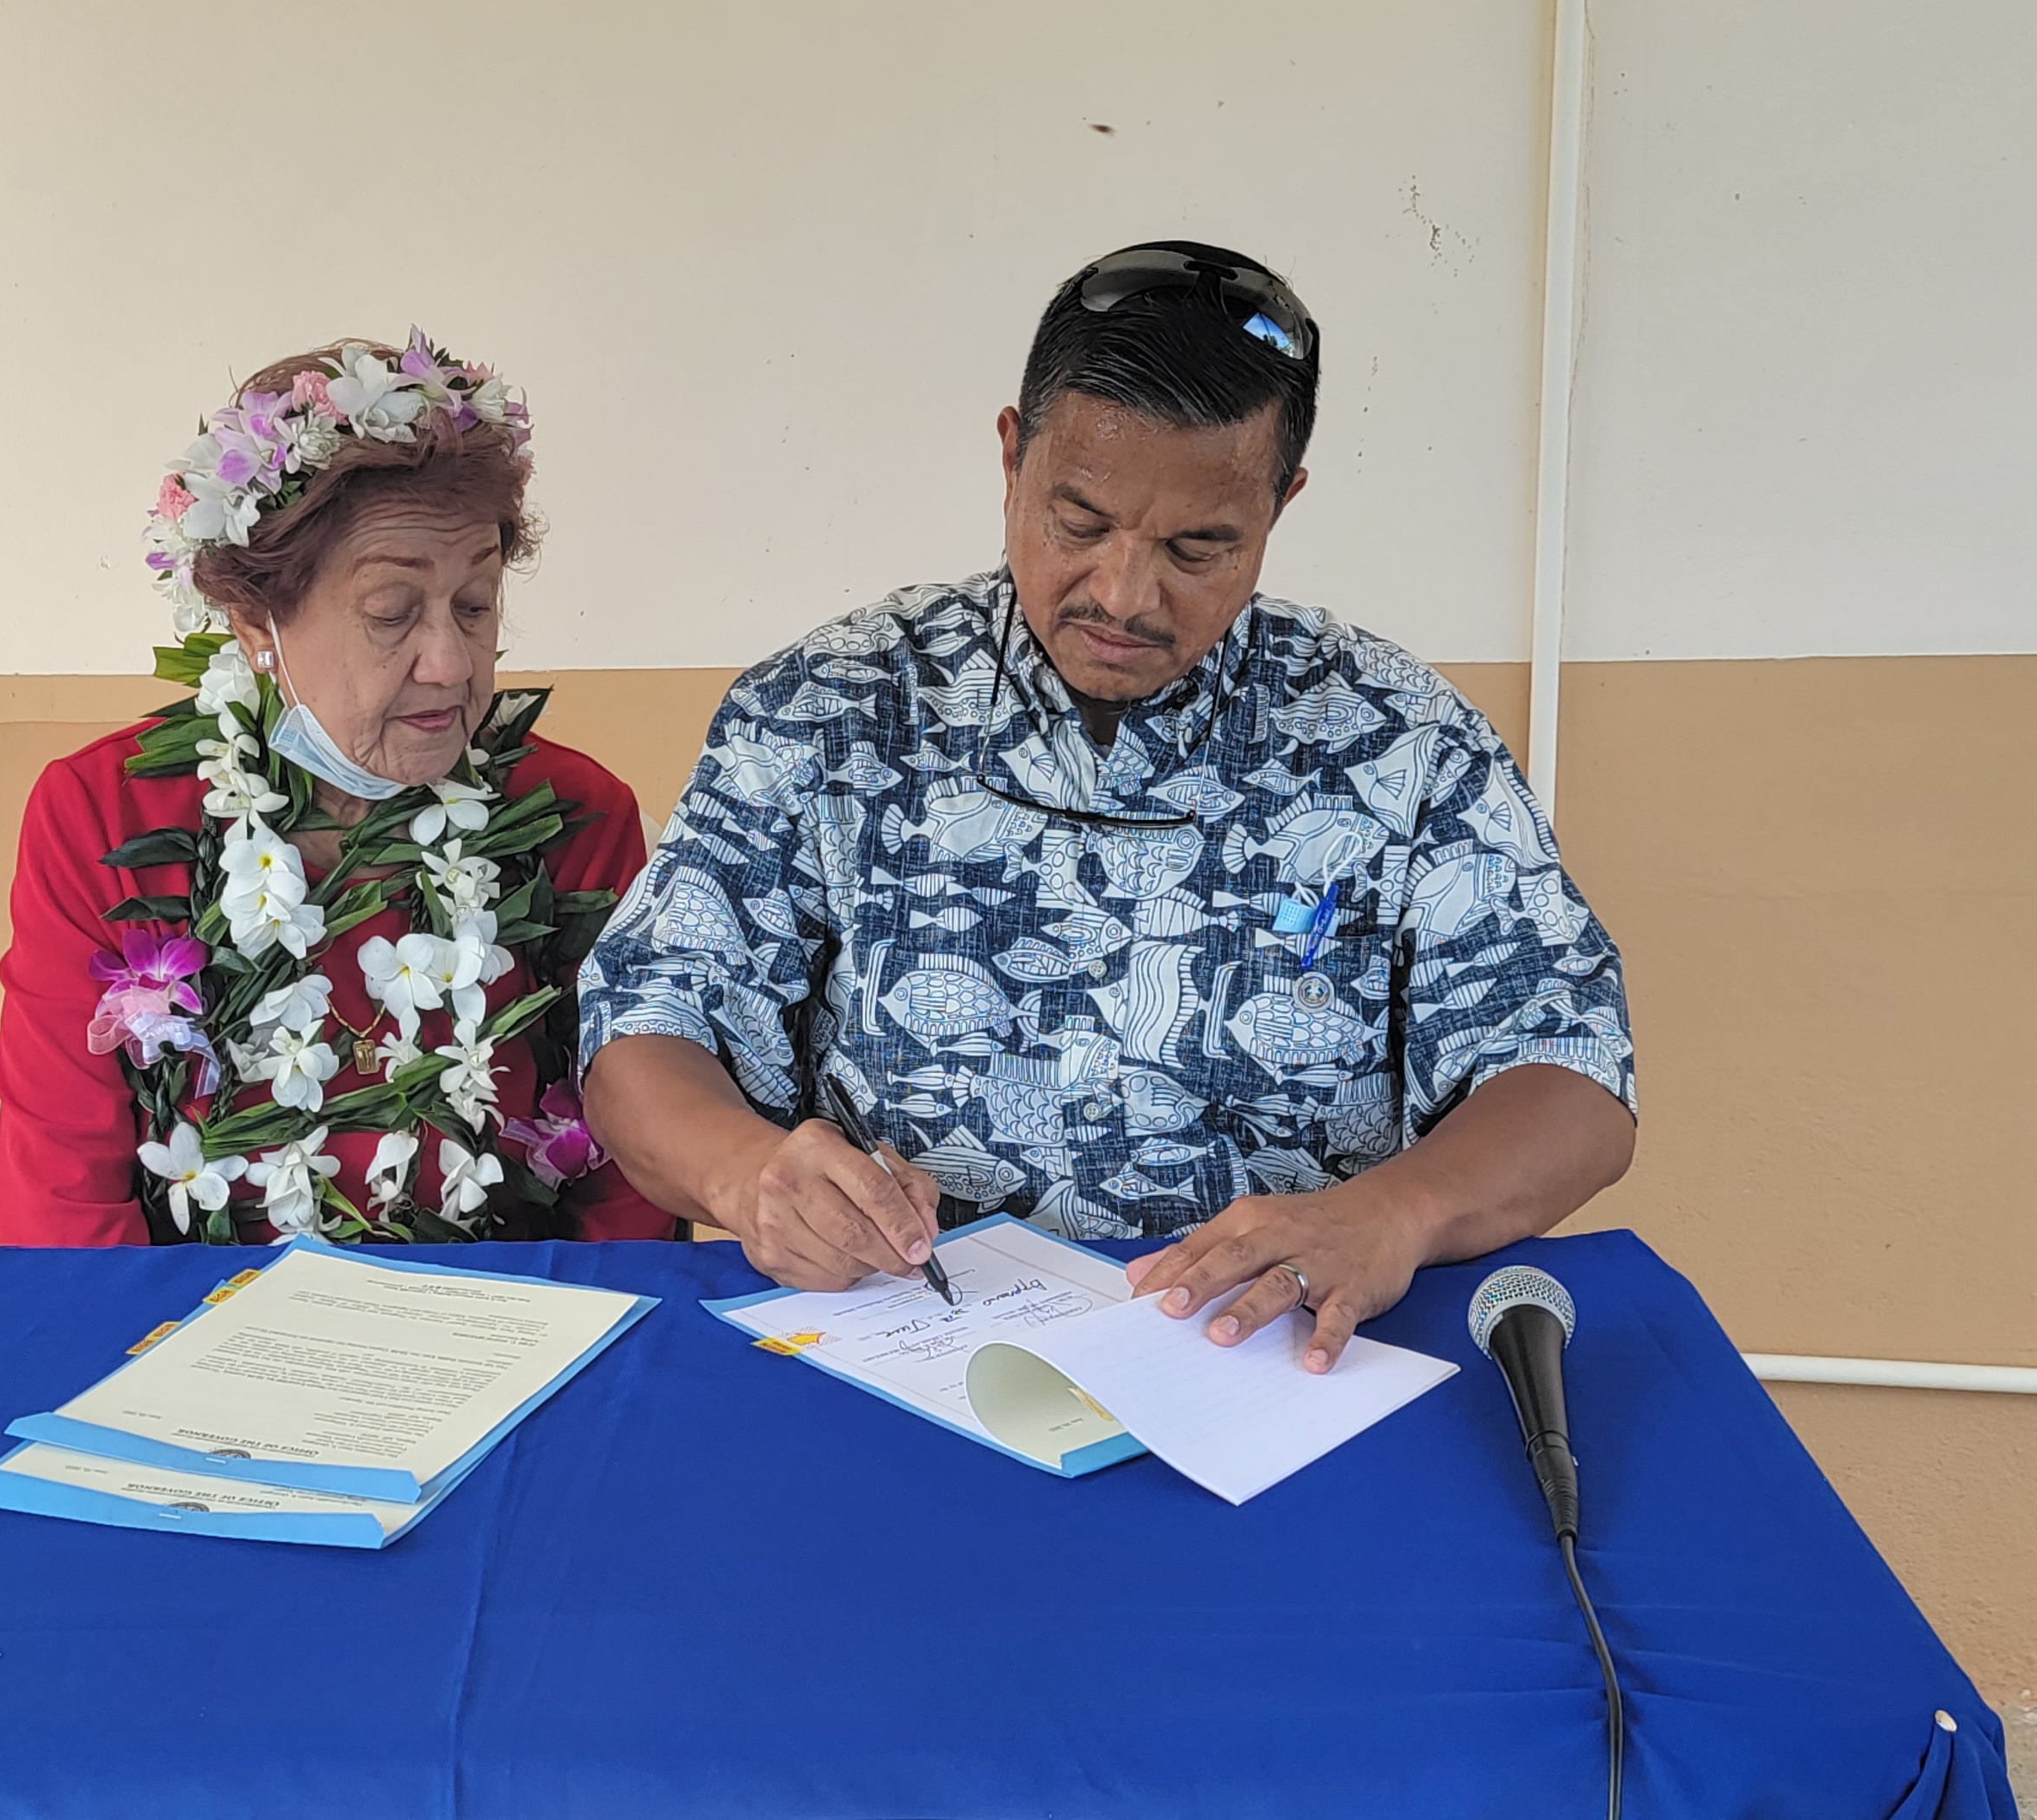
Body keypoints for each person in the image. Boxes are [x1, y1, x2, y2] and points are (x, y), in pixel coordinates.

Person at [580, 242, 1634, 1368]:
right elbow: (647, 1020)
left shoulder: (1399, 744)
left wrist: (1395, 1213)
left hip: (1268, 1368)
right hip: (897, 1359)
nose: (1124, 595)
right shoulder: (834, 709)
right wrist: (747, 1174)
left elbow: (1568, 1067)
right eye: (1078, 522)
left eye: (1200, 546)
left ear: (1282, 503)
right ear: (1011, 458)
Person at [0, 332, 671, 1247]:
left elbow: (631, 1178)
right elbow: (63, 1205)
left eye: (475, 606)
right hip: (191, 1339)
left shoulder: (572, 814)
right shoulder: (104, 815)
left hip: (510, 1333)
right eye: (392, 613)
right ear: (253, 625)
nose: (449, 663)